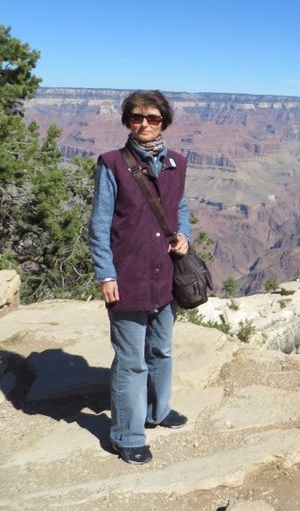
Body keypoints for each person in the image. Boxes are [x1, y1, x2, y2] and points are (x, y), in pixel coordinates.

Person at [88, 90, 191, 465]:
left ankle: (157, 411)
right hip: (127, 275)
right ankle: (126, 434)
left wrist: (185, 237)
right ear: (126, 121)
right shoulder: (112, 164)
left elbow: (180, 207)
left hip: (165, 276)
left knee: (161, 350)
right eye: (136, 117)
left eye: (152, 118)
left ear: (164, 121)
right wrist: (106, 273)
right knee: (131, 359)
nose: (144, 124)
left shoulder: (177, 163)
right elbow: (99, 224)